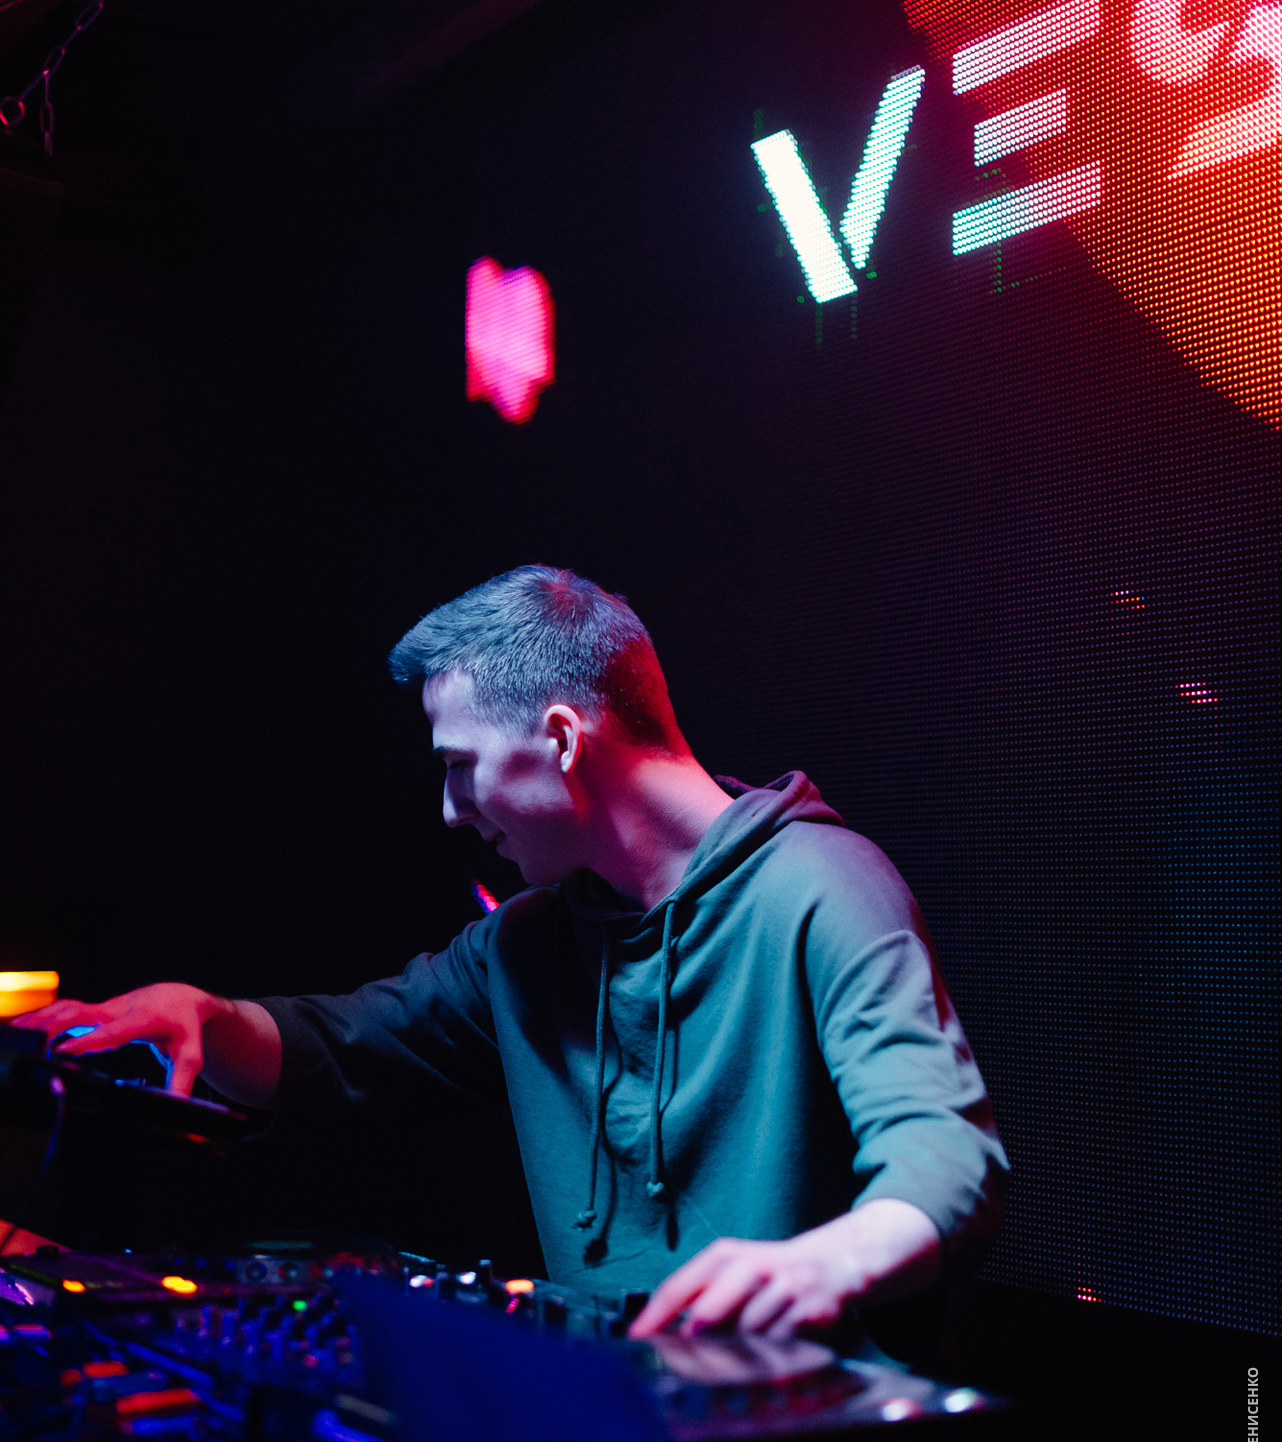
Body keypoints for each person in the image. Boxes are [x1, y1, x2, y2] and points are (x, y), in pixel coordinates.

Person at [17, 566, 1007, 1342]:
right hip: (619, 1429)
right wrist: (206, 1015)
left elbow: (946, 1158)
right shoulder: (530, 941)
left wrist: (816, 1268)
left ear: (563, 740)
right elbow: (344, 1048)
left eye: (461, 766)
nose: (450, 811)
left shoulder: (822, 886)